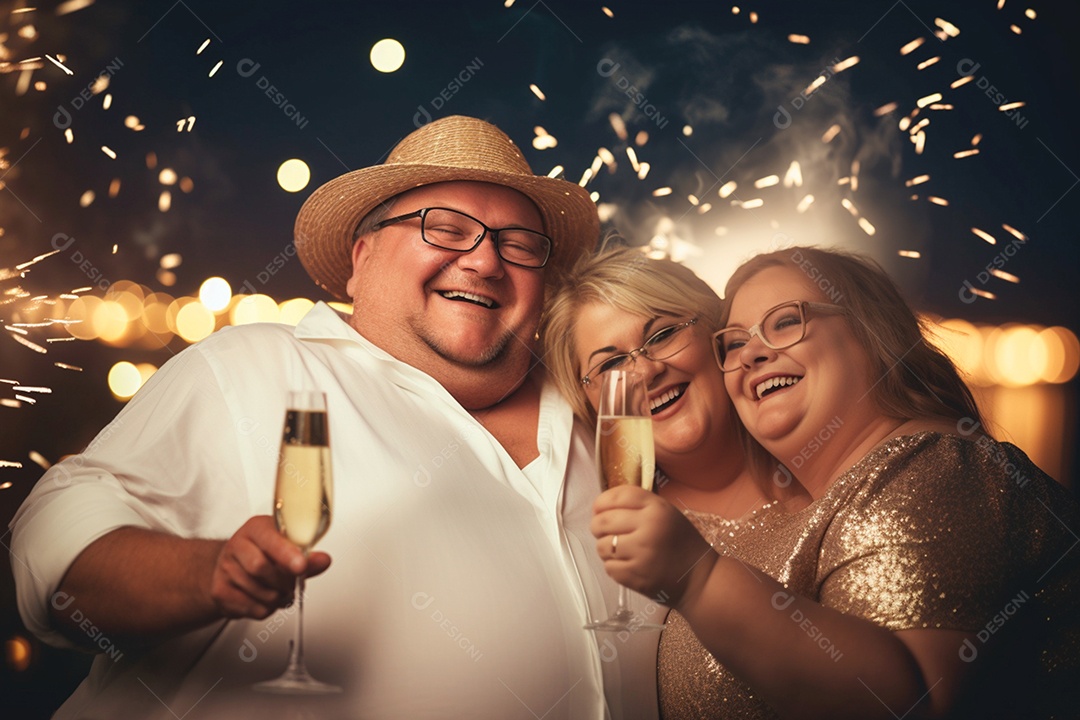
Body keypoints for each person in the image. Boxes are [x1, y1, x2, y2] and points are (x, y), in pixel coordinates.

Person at [10, 116, 658, 719]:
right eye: (445, 228)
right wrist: (208, 574)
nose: (485, 261)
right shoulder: (261, 366)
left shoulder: (596, 413)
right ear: (362, 257)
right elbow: (56, 535)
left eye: (519, 245)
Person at [586, 245, 1080, 719]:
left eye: (785, 322)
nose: (752, 354)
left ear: (871, 332)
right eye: (735, 343)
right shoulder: (847, 492)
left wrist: (698, 579)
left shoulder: (933, 465)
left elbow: (910, 703)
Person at [541, 245, 811, 717]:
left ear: (716, 331)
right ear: (589, 401)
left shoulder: (825, 462)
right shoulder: (630, 553)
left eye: (663, 335)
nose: (645, 371)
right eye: (610, 365)